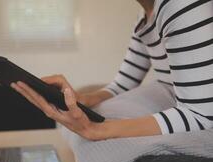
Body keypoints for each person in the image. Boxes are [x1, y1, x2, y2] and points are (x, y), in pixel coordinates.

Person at [12, 0, 213, 141]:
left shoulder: (182, 6)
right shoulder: (143, 20)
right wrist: (80, 100)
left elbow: (201, 115)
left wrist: (96, 130)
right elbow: (122, 84)